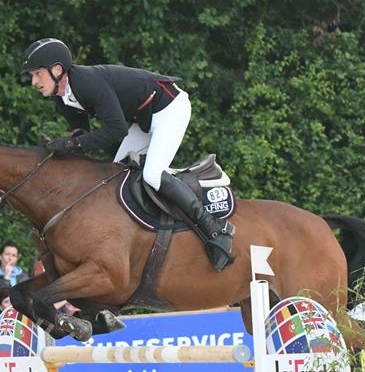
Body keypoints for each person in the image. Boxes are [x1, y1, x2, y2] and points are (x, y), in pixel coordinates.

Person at [22, 38, 234, 271]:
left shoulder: (86, 82)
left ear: (57, 70)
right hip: (142, 118)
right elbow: (82, 134)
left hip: (169, 108)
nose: (34, 81)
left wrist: (72, 145)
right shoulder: (63, 97)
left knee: (152, 174)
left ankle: (214, 228)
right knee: (114, 176)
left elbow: (115, 130)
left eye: (37, 74)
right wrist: (61, 149)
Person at [0, 242, 29, 319]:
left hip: (22, 319)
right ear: (0, 257)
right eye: (7, 254)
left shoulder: (23, 277)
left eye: (14, 255)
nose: (10, 258)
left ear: (17, 259)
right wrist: (6, 278)